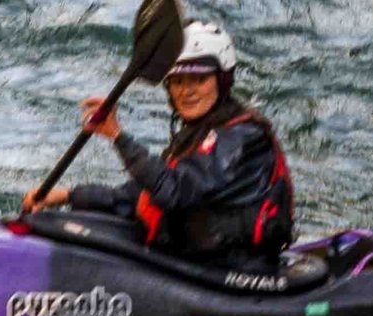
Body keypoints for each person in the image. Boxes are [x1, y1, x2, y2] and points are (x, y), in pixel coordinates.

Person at [32, 18, 296, 268]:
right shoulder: (197, 132)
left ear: (222, 80)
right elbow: (141, 196)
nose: (186, 91)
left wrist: (118, 136)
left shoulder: (241, 137)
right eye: (177, 81)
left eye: (199, 79)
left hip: (238, 270)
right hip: (197, 259)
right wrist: (68, 196)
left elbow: (173, 192)